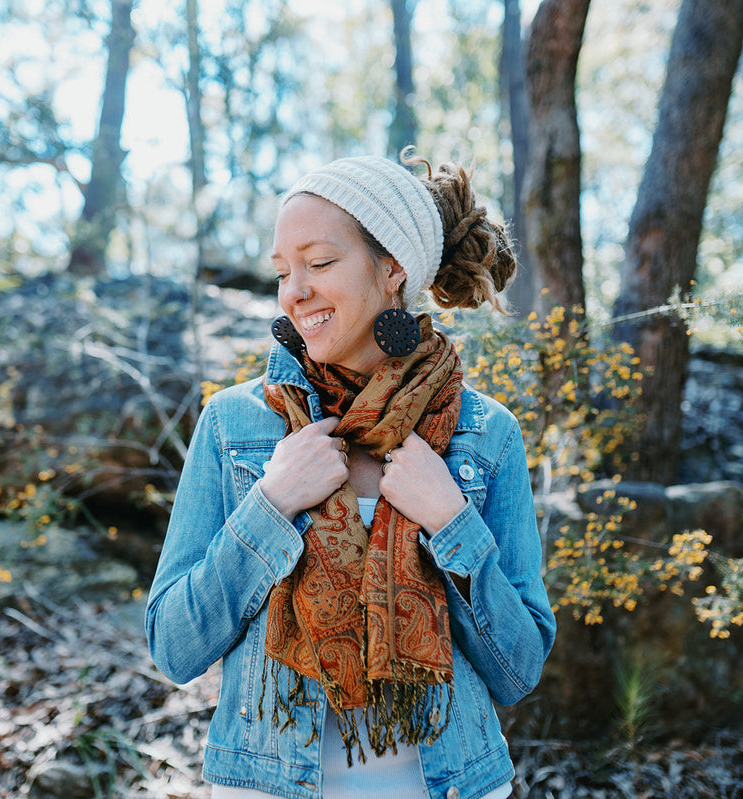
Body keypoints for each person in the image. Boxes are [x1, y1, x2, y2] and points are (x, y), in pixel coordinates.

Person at [145, 152, 556, 799]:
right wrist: (271, 503)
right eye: (283, 270)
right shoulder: (235, 425)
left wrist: (451, 521)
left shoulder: (484, 434)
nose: (294, 291)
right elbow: (174, 646)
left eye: (320, 262)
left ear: (392, 268)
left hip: (452, 785)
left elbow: (519, 667)